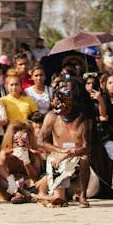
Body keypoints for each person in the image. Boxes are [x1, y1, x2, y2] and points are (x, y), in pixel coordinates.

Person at [37, 75, 92, 207]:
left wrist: (69, 153)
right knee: (58, 199)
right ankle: (46, 194)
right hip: (57, 158)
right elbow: (40, 141)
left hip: (76, 157)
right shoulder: (51, 116)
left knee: (85, 159)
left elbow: (86, 147)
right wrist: (60, 152)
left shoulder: (82, 118)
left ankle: (83, 196)